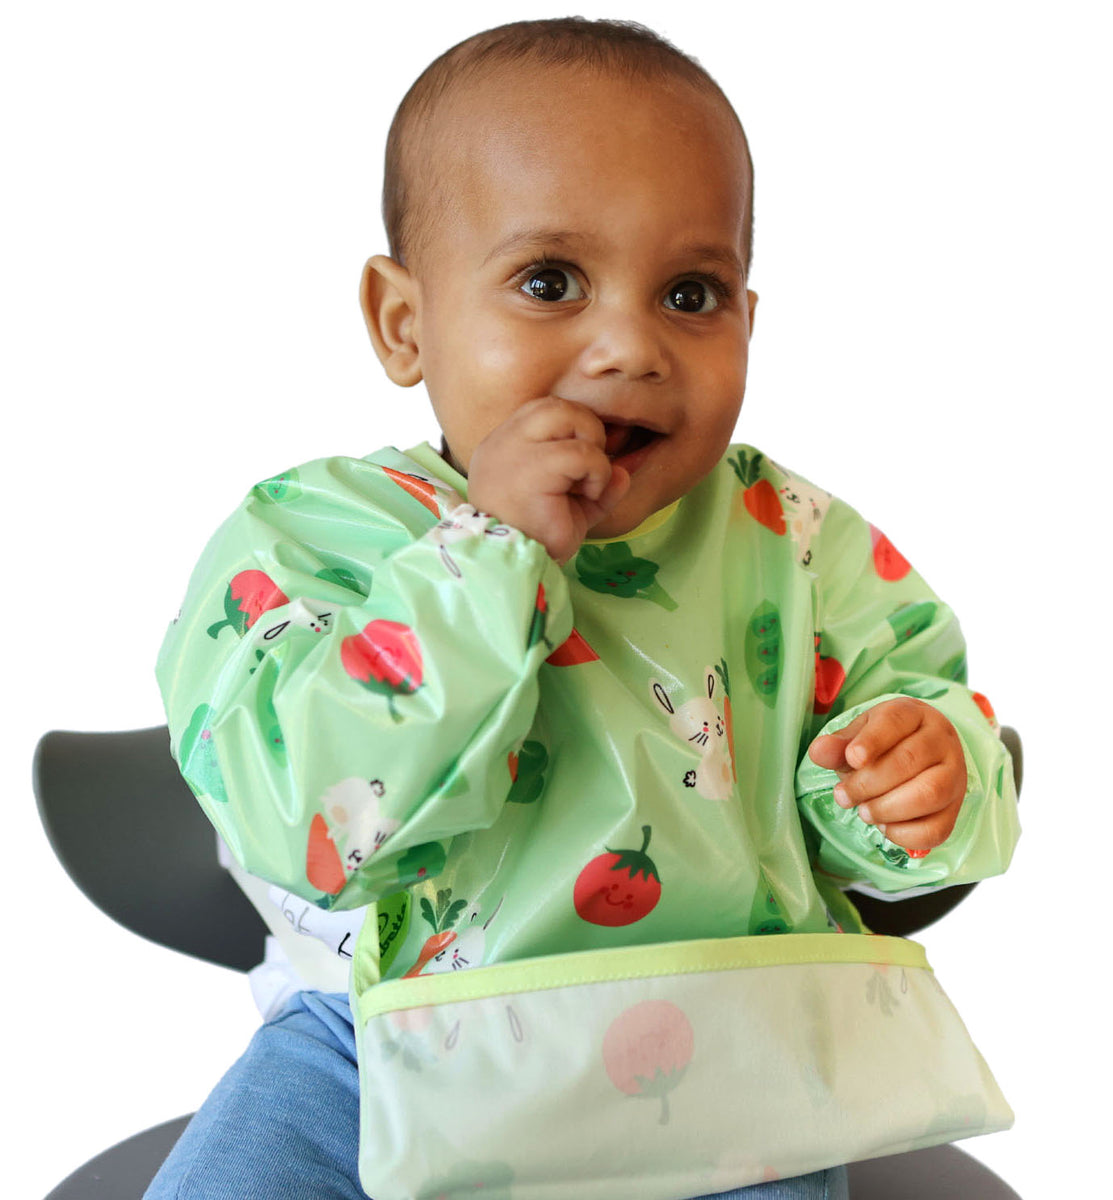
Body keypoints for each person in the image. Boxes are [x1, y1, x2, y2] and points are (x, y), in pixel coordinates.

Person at [150, 17, 1019, 1200]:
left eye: (691, 292)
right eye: (549, 283)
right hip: (378, 1043)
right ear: (404, 322)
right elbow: (300, 810)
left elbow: (912, 720)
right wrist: (485, 553)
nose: (629, 345)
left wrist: (922, 777)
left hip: (723, 1053)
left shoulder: (794, 541)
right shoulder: (317, 538)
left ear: (749, 325)